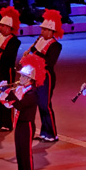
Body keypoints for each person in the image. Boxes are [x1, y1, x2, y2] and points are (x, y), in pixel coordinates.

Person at [0, 55, 44, 170]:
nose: (20, 79)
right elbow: (10, 105)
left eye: (23, 77)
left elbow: (20, 105)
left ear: (30, 79)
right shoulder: (22, 90)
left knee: (26, 155)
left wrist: (9, 92)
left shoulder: (32, 93)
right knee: (19, 154)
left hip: (27, 126)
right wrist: (4, 95)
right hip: (19, 125)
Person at [24, 10, 64, 142]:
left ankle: (52, 133)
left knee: (45, 104)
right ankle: (44, 132)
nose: (42, 32)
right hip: (36, 75)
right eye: (42, 29)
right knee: (39, 104)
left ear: (51, 31)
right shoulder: (39, 40)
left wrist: (34, 53)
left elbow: (49, 62)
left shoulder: (56, 45)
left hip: (47, 76)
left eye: (45, 30)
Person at [0, 7, 22, 131]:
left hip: (7, 70)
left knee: (6, 94)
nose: (1, 28)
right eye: (0, 25)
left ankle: (8, 122)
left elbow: (8, 57)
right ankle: (0, 120)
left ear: (9, 27)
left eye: (4, 26)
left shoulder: (14, 41)